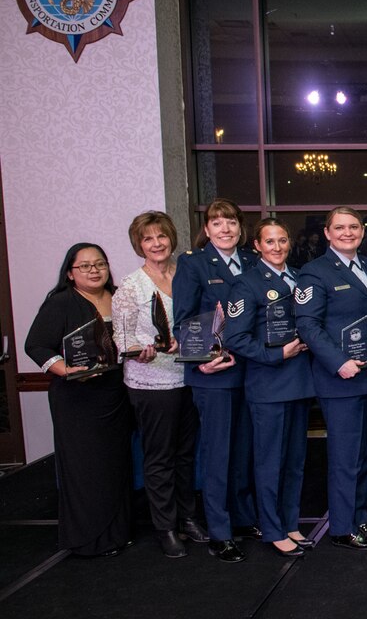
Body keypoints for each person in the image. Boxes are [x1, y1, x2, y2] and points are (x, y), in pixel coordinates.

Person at [25, 244, 133, 557]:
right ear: (71, 273)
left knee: (115, 466)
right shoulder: (61, 303)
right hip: (77, 399)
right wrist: (66, 370)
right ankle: (88, 539)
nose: (94, 270)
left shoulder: (118, 297)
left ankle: (117, 532)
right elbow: (36, 346)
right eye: (85, 266)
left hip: (115, 395)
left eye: (99, 264)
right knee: (86, 468)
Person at [295, 206, 367, 551]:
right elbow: (307, 325)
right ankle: (341, 527)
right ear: (327, 232)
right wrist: (338, 363)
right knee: (344, 456)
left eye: (353, 227)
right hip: (340, 380)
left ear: (362, 232)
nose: (348, 232)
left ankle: (359, 520)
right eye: (340, 227)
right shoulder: (315, 272)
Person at [113, 211, 208, 558]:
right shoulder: (131, 286)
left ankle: (188, 517)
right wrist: (141, 351)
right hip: (152, 382)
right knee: (159, 458)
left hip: (189, 376)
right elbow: (121, 338)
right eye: (148, 239)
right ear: (139, 245)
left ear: (172, 238)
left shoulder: (185, 273)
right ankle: (165, 527)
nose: (157, 244)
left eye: (161, 236)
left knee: (186, 454)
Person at [172, 198, 260, 562]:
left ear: (241, 229)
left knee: (243, 451)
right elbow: (184, 319)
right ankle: (219, 531)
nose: (225, 229)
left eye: (232, 223)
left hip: (252, 370)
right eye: (217, 223)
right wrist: (203, 360)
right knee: (218, 453)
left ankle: (241, 518)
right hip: (214, 373)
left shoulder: (253, 263)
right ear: (206, 229)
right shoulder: (193, 264)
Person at [224, 218, 315, 558]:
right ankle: (272, 529)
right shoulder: (246, 284)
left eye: (282, 241)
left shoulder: (298, 277)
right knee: (269, 462)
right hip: (269, 385)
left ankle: (290, 522)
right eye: (270, 241)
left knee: (294, 461)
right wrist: (276, 354)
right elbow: (235, 337)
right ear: (257, 246)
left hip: (300, 383)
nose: (277, 247)